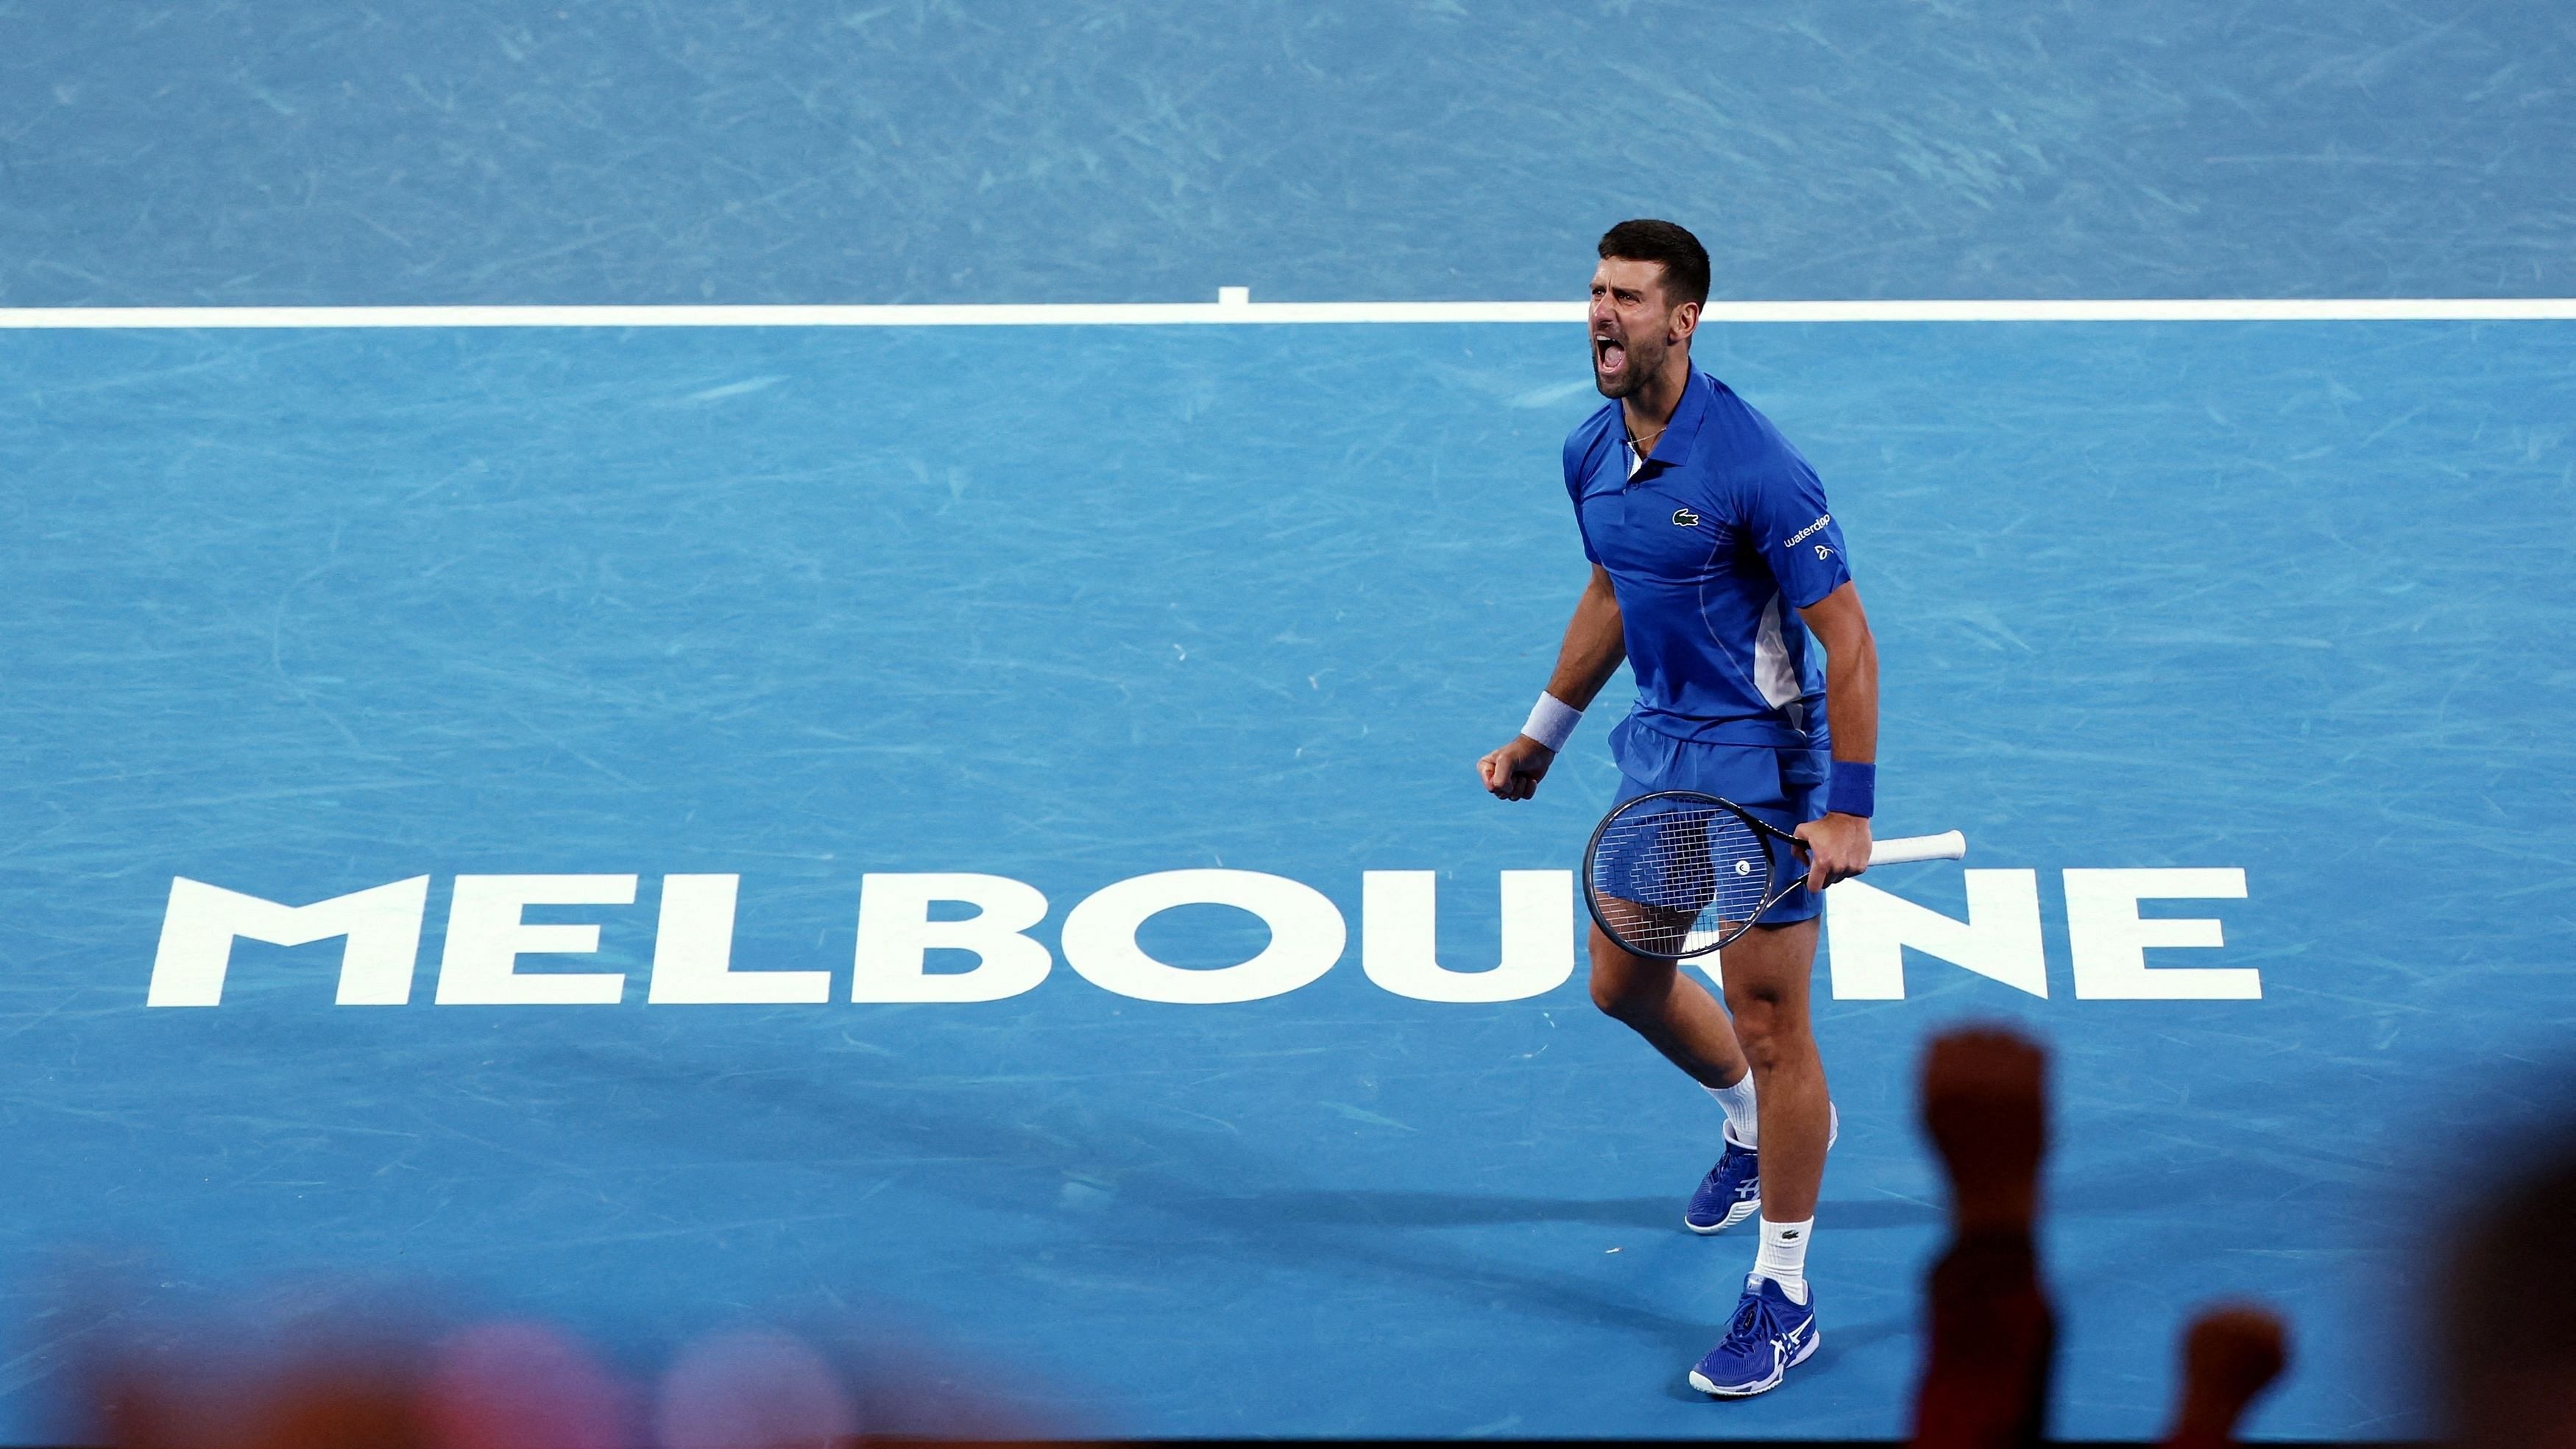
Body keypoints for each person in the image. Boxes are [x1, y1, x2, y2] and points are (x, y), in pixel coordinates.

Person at [1479, 217, 1880, 1397]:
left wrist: (1847, 810)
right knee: (1622, 983)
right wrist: (1542, 735)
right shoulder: (1588, 452)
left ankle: (1786, 1293)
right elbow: (1614, 584)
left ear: (1684, 319)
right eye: (1595, 293)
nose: (1602, 316)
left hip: (1763, 771)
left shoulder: (1757, 465)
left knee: (1774, 1025)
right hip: (1658, 757)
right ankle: (1750, 1128)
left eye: (1629, 299)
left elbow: (1846, 643)